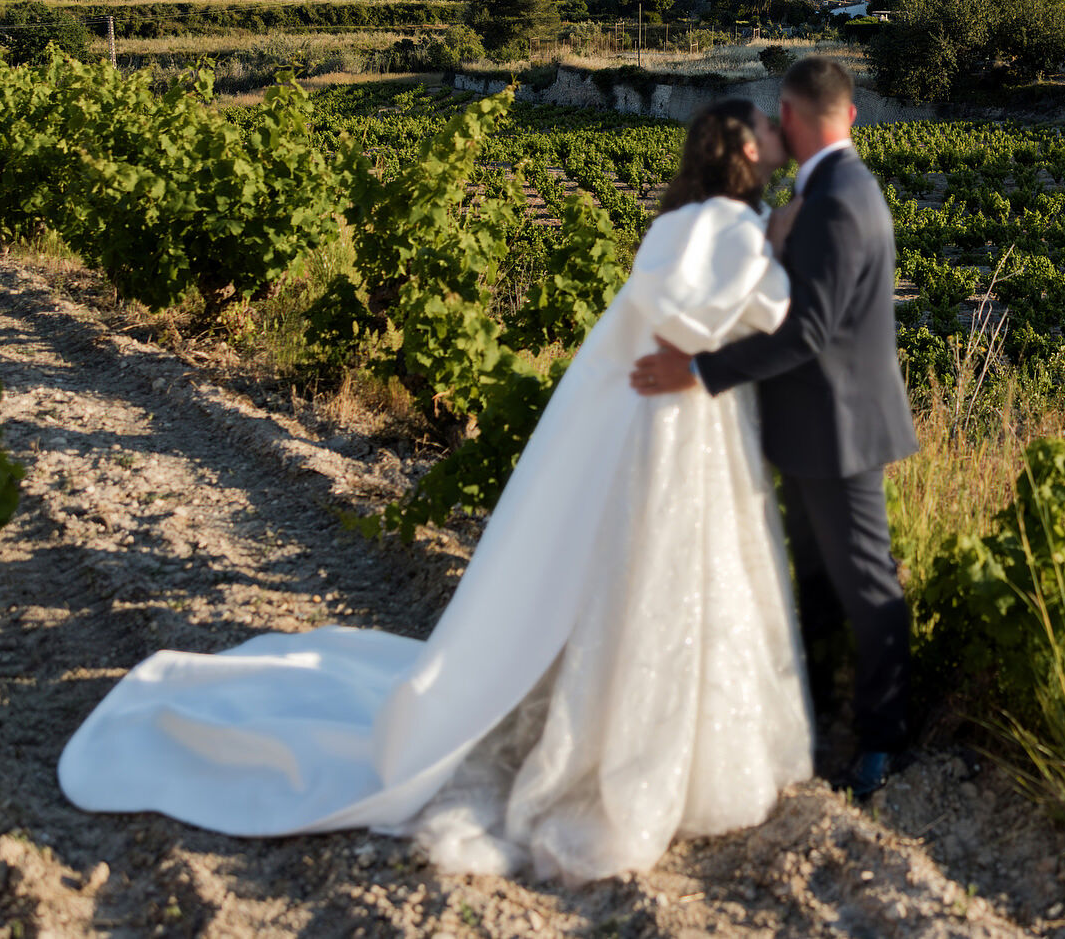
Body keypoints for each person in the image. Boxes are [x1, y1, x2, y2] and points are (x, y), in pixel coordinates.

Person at [60, 100, 814, 883]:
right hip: (674, 425)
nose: (773, 134)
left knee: (653, 567)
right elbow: (745, 311)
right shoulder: (722, 225)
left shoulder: (690, 220)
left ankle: (627, 716)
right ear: (738, 148)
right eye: (762, 126)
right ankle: (642, 742)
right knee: (669, 567)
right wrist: (776, 248)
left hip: (665, 417)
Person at [633, 57, 918, 799]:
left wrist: (696, 373)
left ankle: (886, 742)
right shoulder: (826, 190)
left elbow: (811, 330)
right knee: (820, 582)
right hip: (813, 427)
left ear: (790, 117)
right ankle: (816, 718)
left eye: (773, 118)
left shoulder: (834, 199)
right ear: (850, 115)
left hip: (839, 431)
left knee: (867, 584)